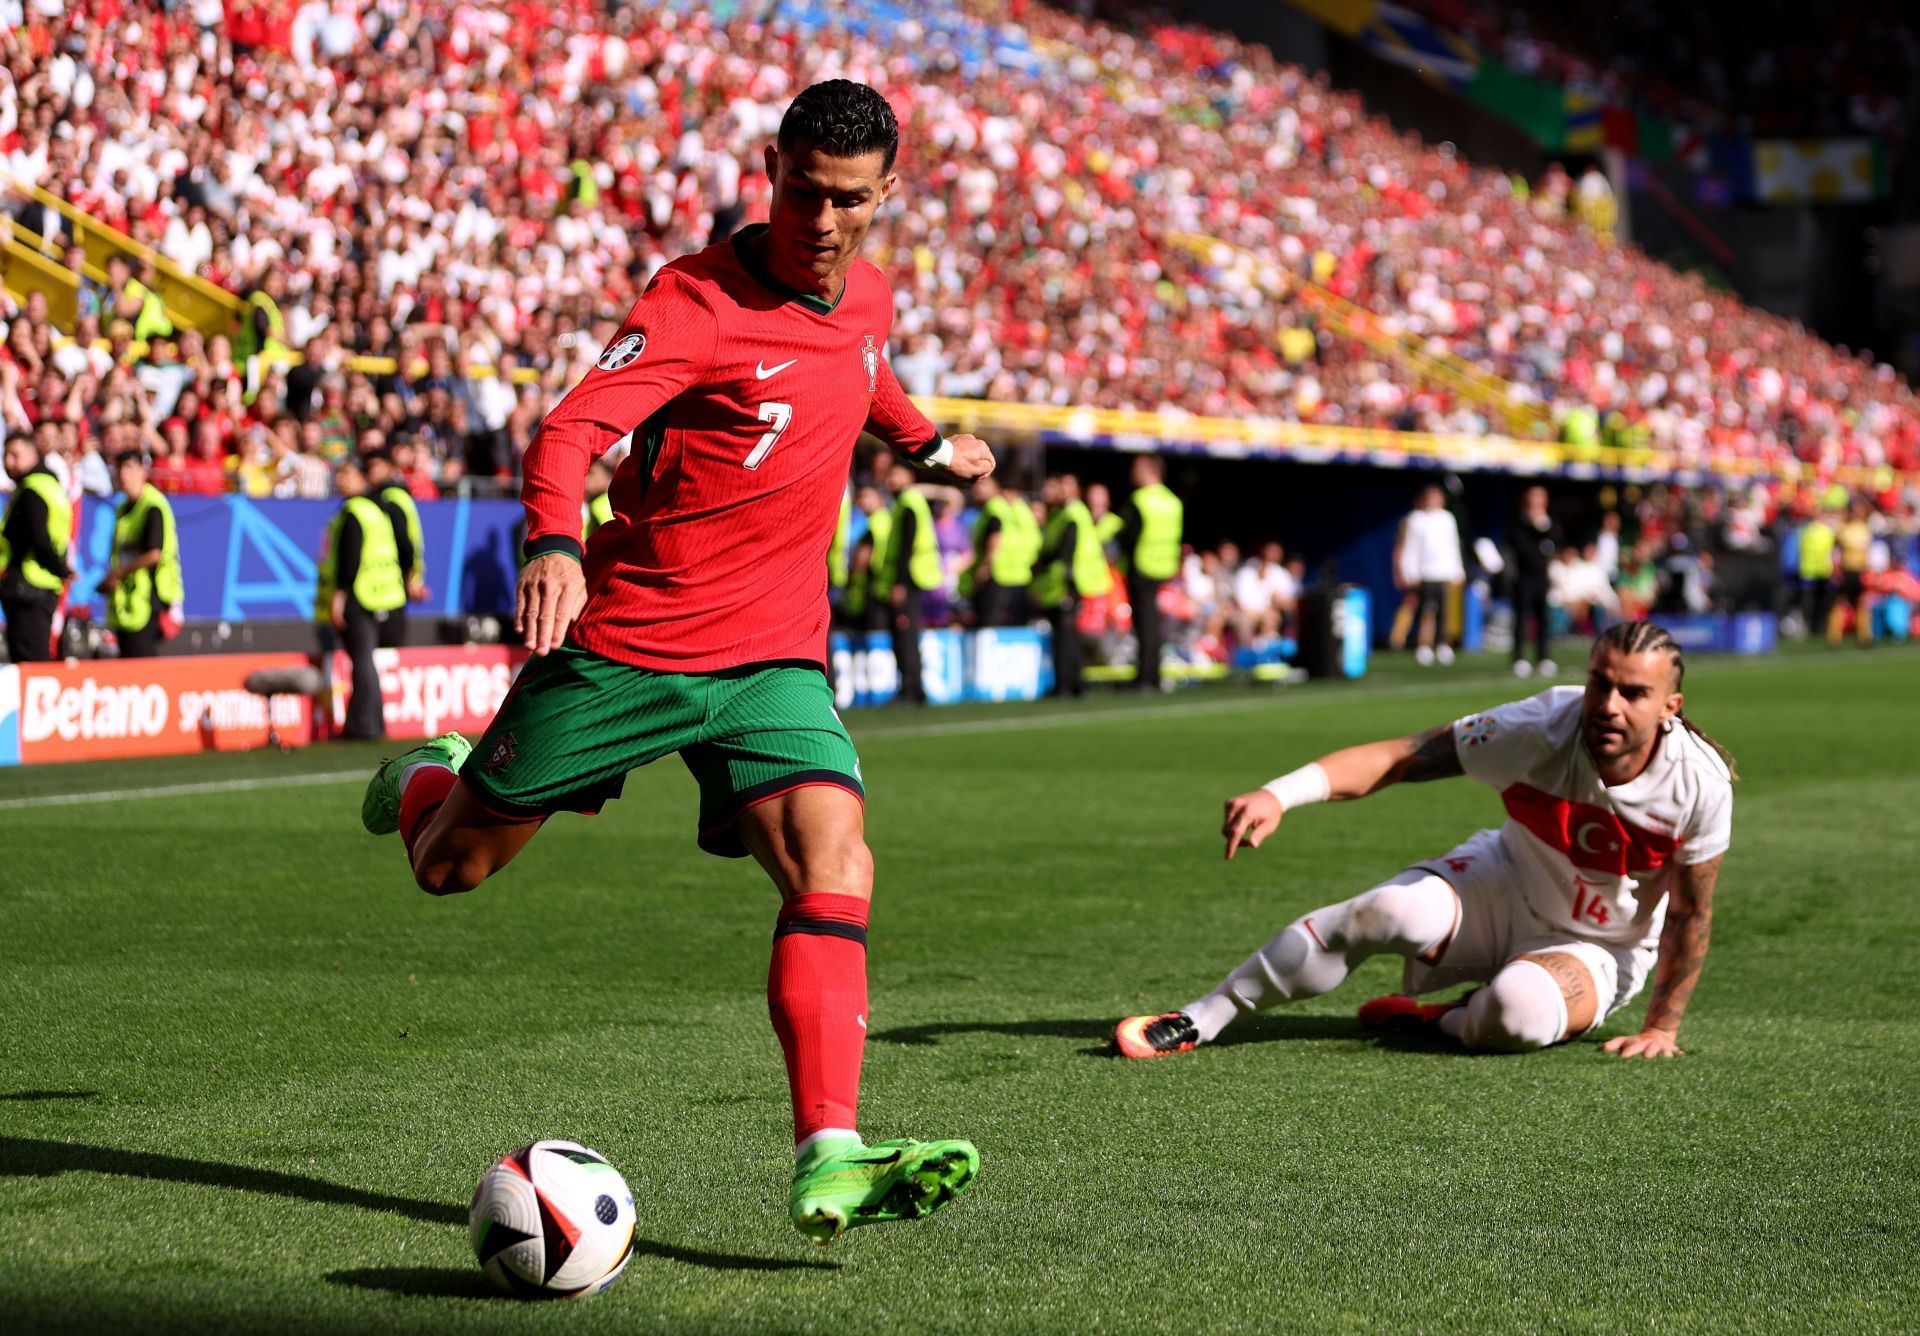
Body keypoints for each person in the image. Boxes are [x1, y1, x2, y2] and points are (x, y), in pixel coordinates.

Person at [354, 82, 993, 1245]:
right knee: (450, 870)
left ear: (888, 193)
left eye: (850, 199)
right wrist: (555, 540)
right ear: (772, 169)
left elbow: (867, 369)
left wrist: (929, 445)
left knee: (836, 861)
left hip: (774, 658)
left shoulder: (872, 294)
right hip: (632, 644)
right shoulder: (695, 301)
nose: (823, 219)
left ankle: (829, 1153)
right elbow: (570, 429)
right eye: (804, 190)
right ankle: (424, 777)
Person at [1116, 621, 1734, 1062]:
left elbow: (1690, 913)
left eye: (1634, 693)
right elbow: (1400, 756)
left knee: (1514, 1014)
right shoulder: (1539, 727)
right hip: (1505, 883)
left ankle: (1445, 1018)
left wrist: (1662, 1026)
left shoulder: (1698, 783)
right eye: (1601, 683)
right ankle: (1202, 1017)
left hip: (1600, 947)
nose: (1608, 705)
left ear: (1670, 707)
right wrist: (1280, 794)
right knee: (1382, 909)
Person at [316, 458, 406, 739]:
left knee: (362, 660)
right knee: (366, 661)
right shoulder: (377, 510)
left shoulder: (354, 511)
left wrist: (340, 595)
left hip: (360, 596)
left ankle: (363, 725)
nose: (341, 479)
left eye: (347, 474)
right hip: (382, 594)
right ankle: (372, 722)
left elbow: (349, 558)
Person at [100, 450, 182, 658]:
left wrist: (119, 573)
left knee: (143, 662)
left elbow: (155, 554)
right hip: (129, 600)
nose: (123, 475)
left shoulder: (152, 505)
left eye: (129, 468)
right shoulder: (122, 508)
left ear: (143, 471)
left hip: (150, 597)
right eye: (119, 469)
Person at [1033, 473, 1109, 698]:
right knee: (1069, 634)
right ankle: (1075, 683)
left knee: (1066, 635)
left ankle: (1066, 684)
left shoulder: (1072, 514)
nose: (1062, 490)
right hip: (1066, 582)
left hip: (1070, 582)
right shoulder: (1066, 513)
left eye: (1067, 485)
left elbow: (1065, 550)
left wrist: (1044, 564)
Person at [0, 433, 71, 663]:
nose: (8, 462)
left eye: (14, 455)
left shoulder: (31, 489)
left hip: (27, 585)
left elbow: (38, 539)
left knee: (29, 663)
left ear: (32, 455)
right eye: (5, 455)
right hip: (44, 585)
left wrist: (62, 569)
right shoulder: (53, 487)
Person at [1117, 454, 1183, 690]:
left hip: (1142, 566)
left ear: (1147, 469)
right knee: (1154, 623)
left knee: (1145, 624)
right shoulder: (1173, 501)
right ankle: (1153, 674)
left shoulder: (1140, 499)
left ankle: (1145, 677)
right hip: (1165, 567)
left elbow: (1128, 535)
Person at [881, 461, 943, 704]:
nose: (892, 480)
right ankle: (914, 688)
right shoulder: (911, 502)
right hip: (916, 575)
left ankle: (910, 688)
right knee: (909, 633)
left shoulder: (908, 502)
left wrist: (900, 584)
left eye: (896, 475)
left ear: (909, 476)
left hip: (911, 577)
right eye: (890, 475)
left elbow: (907, 546)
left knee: (905, 633)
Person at [364, 446, 428, 648]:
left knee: (387, 646)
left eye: (375, 465)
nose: (370, 471)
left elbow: (404, 541)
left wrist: (410, 576)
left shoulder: (389, 498)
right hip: (394, 579)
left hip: (390, 581)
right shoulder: (399, 496)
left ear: (389, 467)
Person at [961, 474, 1040, 628]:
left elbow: (994, 537)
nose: (977, 489)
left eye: (983, 484)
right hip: (1017, 573)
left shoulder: (994, 507)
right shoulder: (1017, 509)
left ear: (996, 487)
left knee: (989, 622)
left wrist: (985, 566)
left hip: (997, 573)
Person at [1402, 484, 1464, 666]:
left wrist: (1457, 570)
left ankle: (1442, 644)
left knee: (1443, 611)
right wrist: (1410, 571)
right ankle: (1422, 645)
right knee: (1424, 609)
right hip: (1424, 573)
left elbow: (1452, 545)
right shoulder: (1416, 519)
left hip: (1443, 572)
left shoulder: (1447, 519)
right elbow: (1411, 548)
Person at [1508, 484, 1561, 677]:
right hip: (1524, 577)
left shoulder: (1548, 522)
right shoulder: (1519, 521)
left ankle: (1543, 657)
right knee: (1522, 618)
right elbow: (1520, 546)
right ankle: (1519, 657)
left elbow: (1555, 542)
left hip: (1542, 577)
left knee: (1543, 619)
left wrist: (1541, 525)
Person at [1831, 497, 1874, 647]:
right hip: (1846, 569)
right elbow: (1836, 551)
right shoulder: (1843, 529)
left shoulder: (1865, 528)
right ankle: (1835, 636)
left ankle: (1864, 635)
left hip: (1861, 570)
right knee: (1841, 601)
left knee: (1862, 602)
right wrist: (1836, 569)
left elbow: (1868, 551)